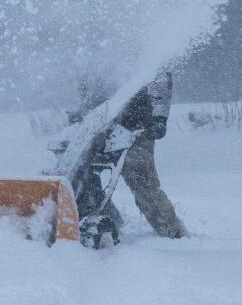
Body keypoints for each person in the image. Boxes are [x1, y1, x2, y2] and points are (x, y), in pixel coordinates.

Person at [66, 72, 187, 241]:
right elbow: (88, 87)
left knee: (142, 184)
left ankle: (172, 232)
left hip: (136, 129)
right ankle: (106, 221)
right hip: (99, 129)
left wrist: (159, 119)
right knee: (84, 175)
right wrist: (81, 112)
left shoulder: (143, 59)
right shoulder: (97, 61)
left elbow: (160, 79)